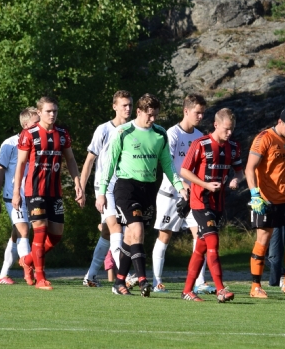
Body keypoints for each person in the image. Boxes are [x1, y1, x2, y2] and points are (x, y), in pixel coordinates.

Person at [97, 93, 185, 296]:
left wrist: (180, 187)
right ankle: (143, 280)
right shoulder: (123, 132)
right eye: (149, 115)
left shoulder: (160, 134)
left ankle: (119, 282)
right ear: (139, 111)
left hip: (148, 189)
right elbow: (109, 164)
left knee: (131, 237)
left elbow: (168, 164)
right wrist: (101, 193)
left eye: (155, 115)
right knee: (137, 231)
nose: (152, 119)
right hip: (126, 187)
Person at [12, 97, 83, 290]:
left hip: (54, 191)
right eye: (48, 111)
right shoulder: (29, 133)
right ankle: (40, 278)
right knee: (40, 231)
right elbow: (20, 164)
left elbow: (71, 160)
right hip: (34, 190)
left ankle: (27, 260)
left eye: (55, 111)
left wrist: (77, 183)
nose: (52, 115)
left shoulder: (62, 134)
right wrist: (17, 192)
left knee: (56, 236)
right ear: (39, 112)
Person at [179, 108, 242, 302]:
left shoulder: (233, 147)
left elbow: (239, 171)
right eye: (226, 129)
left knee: (201, 246)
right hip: (200, 200)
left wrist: (236, 179)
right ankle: (221, 289)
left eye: (232, 129)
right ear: (216, 125)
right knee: (213, 241)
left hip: (218, 202)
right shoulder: (200, 144)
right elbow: (184, 171)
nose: (229, 133)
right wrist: (205, 184)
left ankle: (187, 291)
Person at [246, 108, 285, 300]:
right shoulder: (264, 138)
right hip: (266, 197)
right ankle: (255, 286)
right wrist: (254, 194)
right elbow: (250, 168)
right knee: (263, 238)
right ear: (280, 122)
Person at [151, 94, 206, 293]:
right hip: (170, 194)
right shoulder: (172, 134)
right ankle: (157, 281)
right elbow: (168, 165)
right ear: (186, 111)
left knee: (200, 235)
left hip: (192, 196)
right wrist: (182, 185)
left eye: (202, 113)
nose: (200, 116)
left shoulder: (200, 136)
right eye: (197, 112)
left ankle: (200, 282)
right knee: (165, 235)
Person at [79, 90, 132, 288]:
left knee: (107, 234)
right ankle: (125, 276)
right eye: (124, 105)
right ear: (114, 106)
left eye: (130, 105)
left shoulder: (132, 130)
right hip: (105, 186)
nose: (128, 108)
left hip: (124, 187)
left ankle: (90, 276)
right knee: (116, 227)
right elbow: (89, 161)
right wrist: (81, 188)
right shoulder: (103, 130)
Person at [0, 107, 39, 284]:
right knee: (23, 230)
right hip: (13, 196)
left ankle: (3, 275)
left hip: (32, 195)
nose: (39, 125)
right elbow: (0, 172)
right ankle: (30, 272)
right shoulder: (10, 144)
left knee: (16, 234)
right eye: (36, 122)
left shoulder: (40, 142)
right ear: (26, 125)